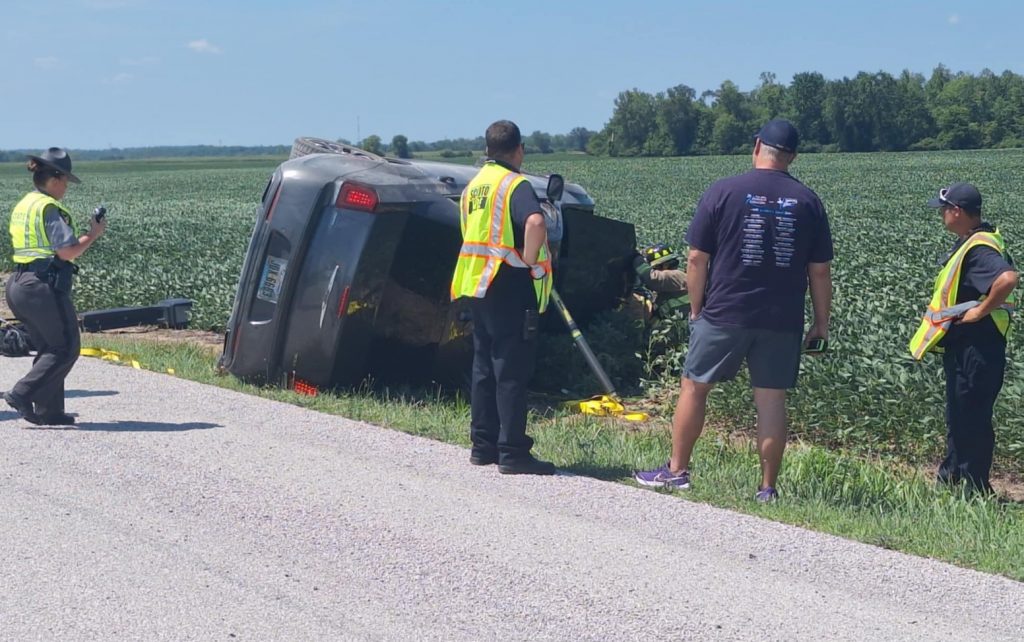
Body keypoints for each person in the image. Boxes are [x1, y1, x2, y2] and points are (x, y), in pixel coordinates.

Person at [634, 119, 834, 501]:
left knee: (695, 387)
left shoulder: (723, 191)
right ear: (793, 156)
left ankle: (676, 472)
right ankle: (767, 488)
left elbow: (696, 258)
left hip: (724, 311)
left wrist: (697, 309)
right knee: (771, 399)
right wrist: (820, 323)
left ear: (757, 146)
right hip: (782, 319)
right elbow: (820, 271)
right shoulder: (809, 202)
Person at [450, 120, 556, 475]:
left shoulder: (473, 187)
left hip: (478, 283)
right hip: (509, 281)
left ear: (487, 150)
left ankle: (483, 446)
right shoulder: (514, 184)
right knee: (511, 367)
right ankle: (512, 451)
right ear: (519, 149)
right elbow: (536, 223)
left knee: (483, 366)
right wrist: (529, 258)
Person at [909, 183, 1018, 494]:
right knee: (960, 415)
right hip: (970, 346)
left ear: (957, 211)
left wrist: (981, 311)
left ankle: (975, 489)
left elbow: (1008, 278)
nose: (941, 215)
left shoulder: (979, 248)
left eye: (944, 209)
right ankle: (951, 480)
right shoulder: (974, 241)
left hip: (978, 347)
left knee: (971, 417)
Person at [4, 147, 106, 425]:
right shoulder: (49, 208)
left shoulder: (25, 204)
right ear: (55, 179)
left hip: (18, 284)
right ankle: (21, 393)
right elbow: (67, 251)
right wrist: (93, 234)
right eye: (65, 182)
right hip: (42, 286)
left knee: (48, 347)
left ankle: (48, 411)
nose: (66, 188)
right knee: (65, 347)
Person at [631, 243, 689, 322]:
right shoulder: (666, 289)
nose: (654, 271)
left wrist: (635, 256)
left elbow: (650, 278)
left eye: (654, 268)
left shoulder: (675, 275)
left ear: (665, 265)